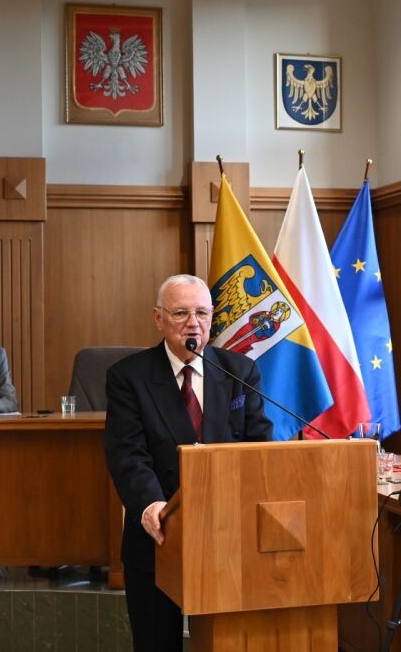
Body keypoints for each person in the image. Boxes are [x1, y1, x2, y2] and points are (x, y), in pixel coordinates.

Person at [104, 274, 273, 652]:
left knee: (226, 644)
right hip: (159, 534)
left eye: (202, 313)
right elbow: (127, 453)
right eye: (181, 313)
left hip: (228, 535)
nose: (193, 323)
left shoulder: (239, 371)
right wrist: (150, 504)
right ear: (158, 319)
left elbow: (259, 446)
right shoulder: (128, 377)